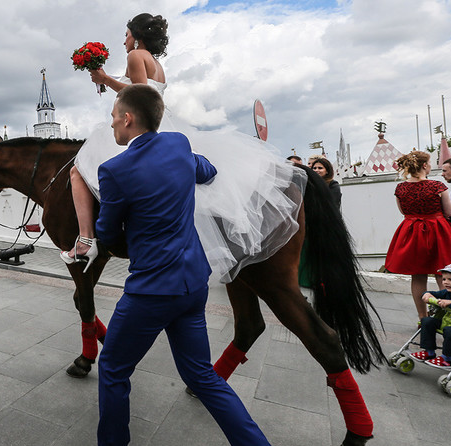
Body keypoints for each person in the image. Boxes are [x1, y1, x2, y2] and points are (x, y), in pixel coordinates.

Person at [70, 85, 289, 446]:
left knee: (114, 369)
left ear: (128, 118)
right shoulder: (178, 145)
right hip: (193, 284)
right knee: (203, 377)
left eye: (114, 117)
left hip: (151, 291)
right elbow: (208, 171)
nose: (112, 124)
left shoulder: (114, 170)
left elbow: (108, 233)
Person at [63, 12, 304, 286]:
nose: (124, 40)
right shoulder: (154, 62)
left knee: (79, 170)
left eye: (126, 34)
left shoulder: (136, 55)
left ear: (137, 37)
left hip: (141, 125)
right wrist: (104, 80)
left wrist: (106, 79)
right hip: (162, 123)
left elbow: (140, 95)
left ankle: (86, 240)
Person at [385, 151, 451, 320]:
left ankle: (422, 317)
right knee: (443, 274)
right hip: (438, 230)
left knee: (418, 276)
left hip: (412, 231)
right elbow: (449, 212)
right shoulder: (437, 186)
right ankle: (445, 317)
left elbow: (403, 211)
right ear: (424, 165)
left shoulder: (400, 188)